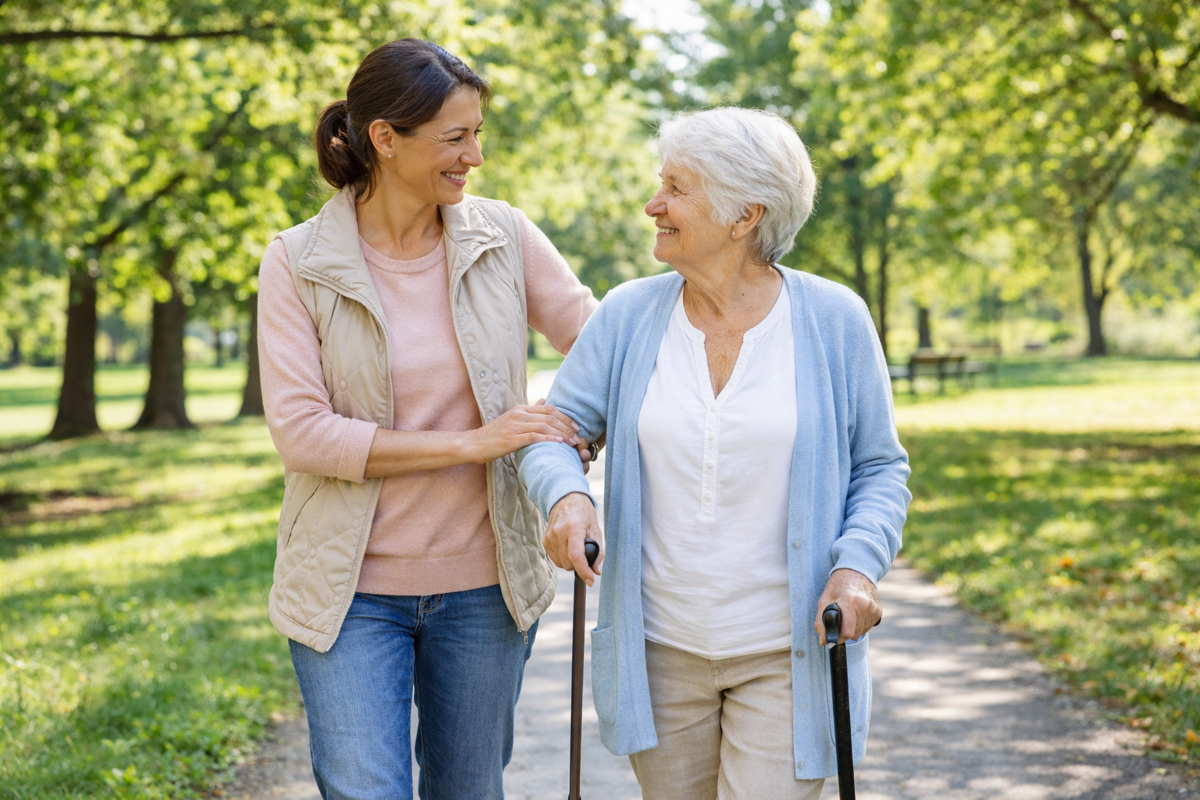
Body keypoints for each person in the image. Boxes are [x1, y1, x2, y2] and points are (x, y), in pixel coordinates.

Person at [517, 107, 911, 800]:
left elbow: (880, 466)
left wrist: (857, 568)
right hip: (659, 653)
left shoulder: (834, 320)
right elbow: (556, 429)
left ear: (743, 215)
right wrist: (568, 494)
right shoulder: (628, 314)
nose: (653, 205)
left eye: (676, 188)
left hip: (789, 654)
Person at [256, 38, 598, 800]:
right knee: (363, 790)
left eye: (477, 134)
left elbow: (598, 341)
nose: (474, 155)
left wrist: (576, 440)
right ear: (385, 138)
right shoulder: (298, 261)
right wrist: (472, 443)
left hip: (484, 588)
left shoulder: (504, 237)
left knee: (468, 790)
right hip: (349, 595)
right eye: (455, 137)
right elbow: (303, 431)